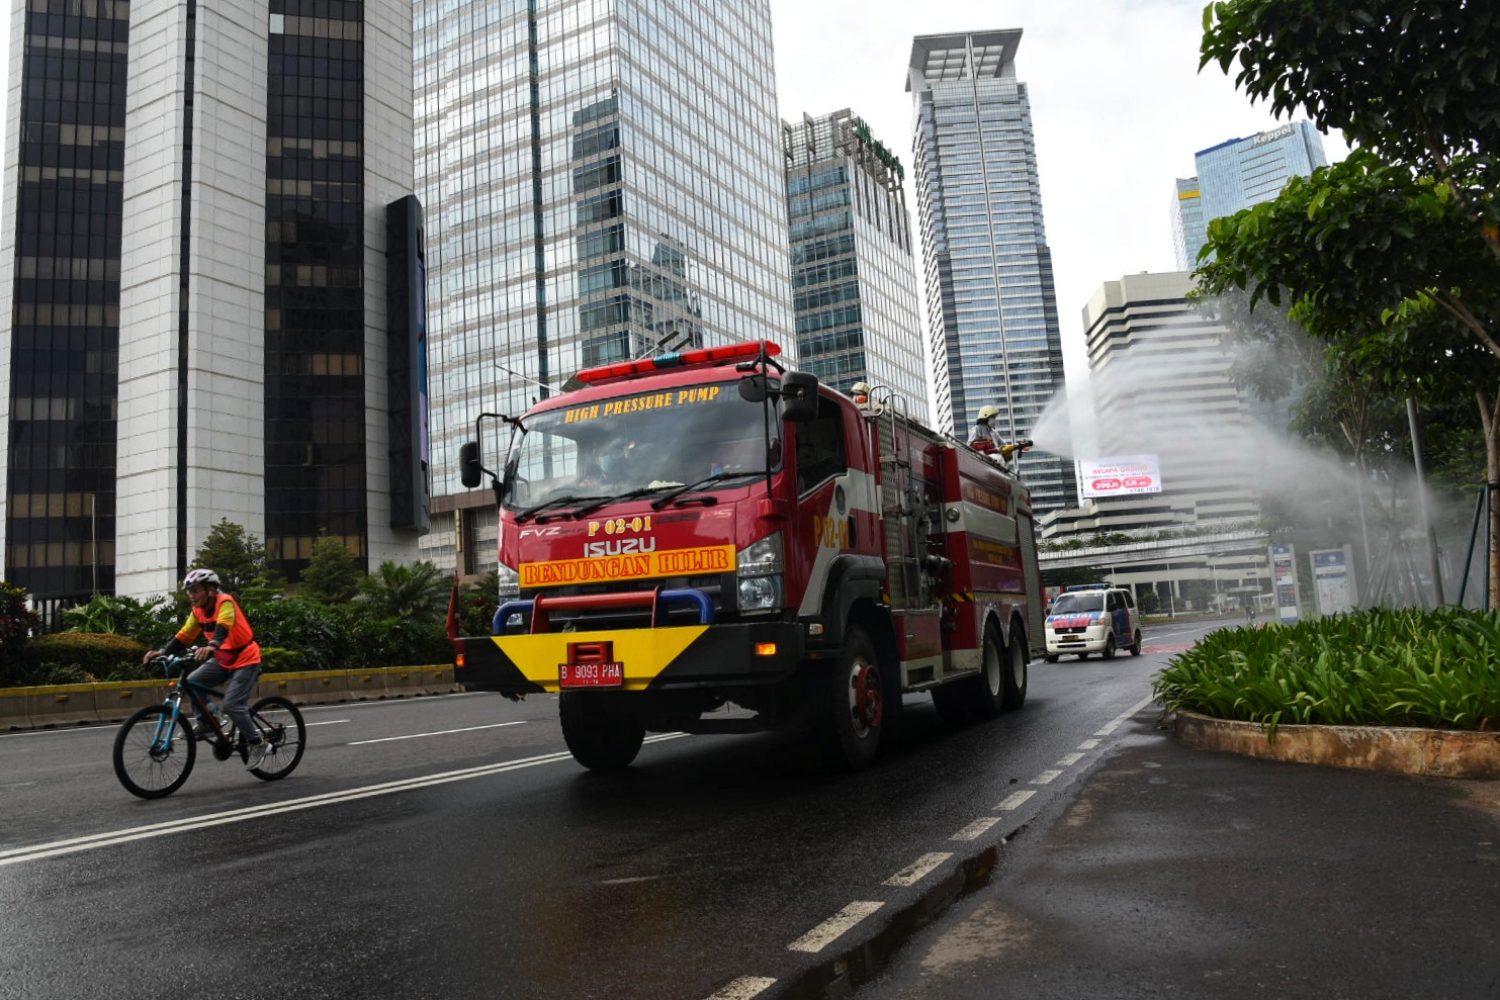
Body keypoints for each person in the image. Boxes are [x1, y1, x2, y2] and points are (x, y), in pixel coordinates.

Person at [142, 568, 268, 769]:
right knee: (192, 682)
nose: (191, 596)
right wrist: (163, 653)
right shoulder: (198, 611)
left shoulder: (225, 602)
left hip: (245, 658)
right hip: (222, 658)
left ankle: (258, 742)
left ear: (210, 590)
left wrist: (212, 645)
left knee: (232, 704)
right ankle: (208, 720)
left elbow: (223, 626)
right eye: (189, 592)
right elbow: (185, 635)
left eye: (195, 591)